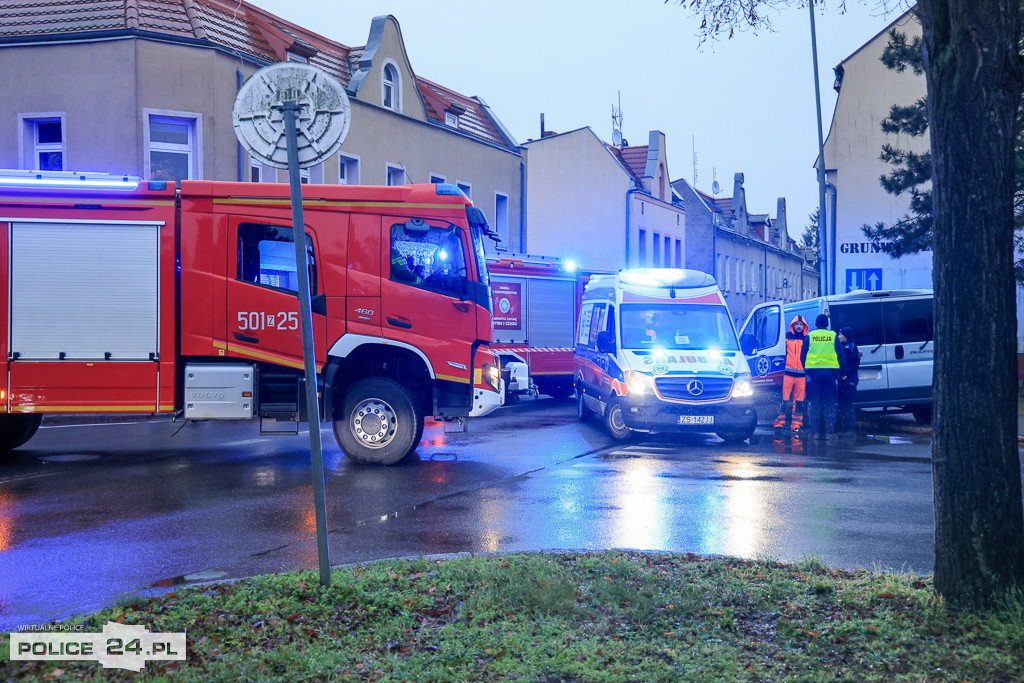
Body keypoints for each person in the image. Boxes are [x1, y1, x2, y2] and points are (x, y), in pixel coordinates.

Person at [804, 313, 847, 440]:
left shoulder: (810, 336)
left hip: (814, 375)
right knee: (829, 403)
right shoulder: (833, 336)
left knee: (815, 403)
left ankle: (814, 433)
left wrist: (806, 371)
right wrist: (843, 372)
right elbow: (841, 355)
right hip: (830, 374)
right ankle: (829, 433)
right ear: (827, 324)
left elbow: (803, 355)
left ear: (816, 324)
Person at [773, 315, 809, 436]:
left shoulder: (806, 338)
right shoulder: (786, 337)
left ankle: (796, 426)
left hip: (801, 376)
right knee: (784, 401)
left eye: (801, 324)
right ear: (793, 325)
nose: (799, 326)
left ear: (804, 326)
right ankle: (779, 424)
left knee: (798, 402)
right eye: (797, 324)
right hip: (788, 374)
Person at [836, 326, 860, 436]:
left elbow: (848, 365)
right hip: (848, 380)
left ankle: (849, 428)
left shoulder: (848, 349)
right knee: (843, 404)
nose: (839, 336)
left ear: (846, 336)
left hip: (848, 381)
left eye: (841, 334)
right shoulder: (848, 346)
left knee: (846, 405)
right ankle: (846, 428)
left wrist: (843, 374)